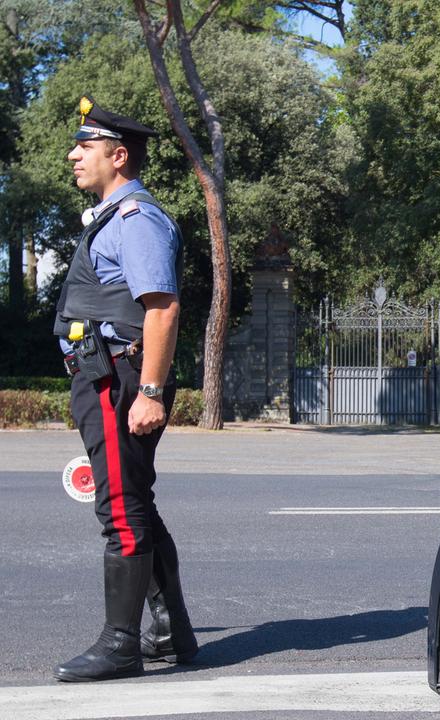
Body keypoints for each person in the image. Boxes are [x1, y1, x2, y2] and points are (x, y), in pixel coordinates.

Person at [52, 96, 198, 682]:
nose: (73, 155)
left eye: (84, 146)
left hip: (120, 379)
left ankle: (121, 644)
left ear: (118, 156)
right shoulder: (114, 218)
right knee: (136, 501)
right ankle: (171, 631)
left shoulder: (137, 220)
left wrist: (151, 392)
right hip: (107, 376)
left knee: (120, 508)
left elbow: (161, 309)